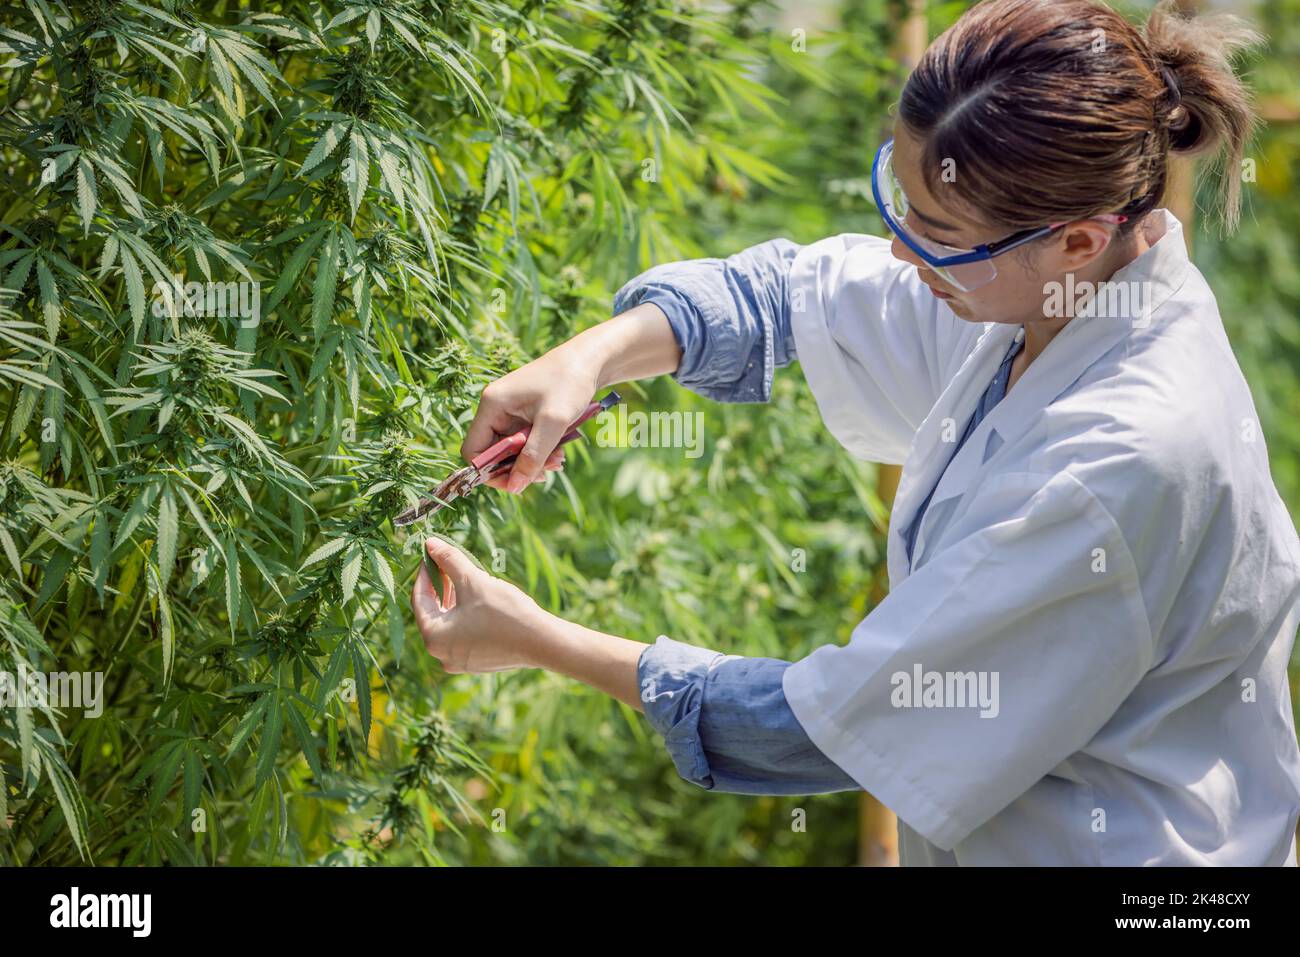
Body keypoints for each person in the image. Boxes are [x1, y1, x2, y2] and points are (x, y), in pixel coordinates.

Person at [410, 0, 1300, 865]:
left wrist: (531, 639)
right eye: (901, 199)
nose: (906, 253)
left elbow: (829, 728)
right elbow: (787, 299)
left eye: (940, 232)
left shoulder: (1117, 458)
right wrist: (592, 357)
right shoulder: (1051, 293)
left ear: (1075, 242)